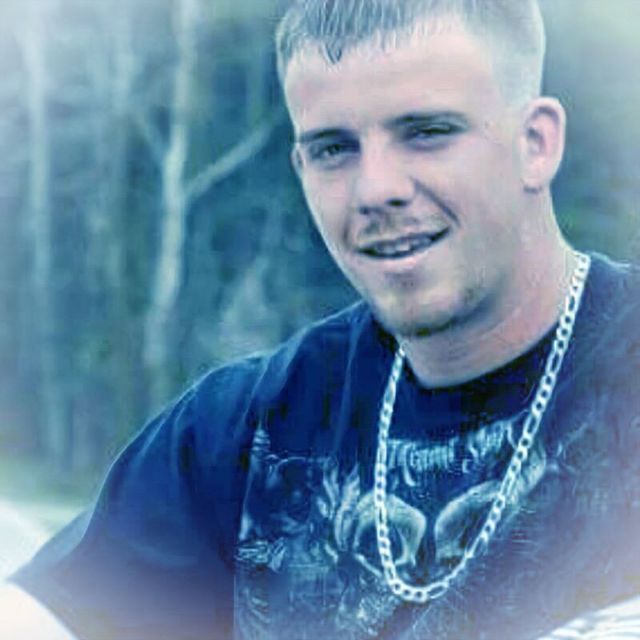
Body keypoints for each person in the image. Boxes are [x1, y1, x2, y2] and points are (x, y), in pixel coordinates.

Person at [2, 0, 640, 638]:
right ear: (302, 168)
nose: (377, 189)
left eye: (426, 132)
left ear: (536, 143)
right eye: (335, 149)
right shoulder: (243, 433)